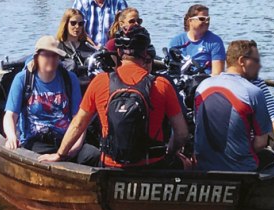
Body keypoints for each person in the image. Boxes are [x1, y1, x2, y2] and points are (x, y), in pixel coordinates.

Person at [44, 27, 189, 169]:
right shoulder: (162, 84)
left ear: (119, 52)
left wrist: (60, 154)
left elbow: (79, 124)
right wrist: (170, 152)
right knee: (186, 165)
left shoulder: (100, 81)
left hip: (111, 166)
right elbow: (182, 133)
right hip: (151, 165)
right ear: (145, 52)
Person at [192, 40, 274, 172]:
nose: (259, 66)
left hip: (204, 165)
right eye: (256, 61)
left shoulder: (203, 86)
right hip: (240, 167)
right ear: (242, 61)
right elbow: (261, 142)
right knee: (269, 157)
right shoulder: (253, 91)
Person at [3, 36, 88, 158]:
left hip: (65, 139)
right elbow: (10, 115)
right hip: (36, 141)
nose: (51, 60)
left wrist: (75, 147)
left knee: (93, 156)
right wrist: (11, 136)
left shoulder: (70, 79)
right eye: (46, 55)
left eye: (55, 56)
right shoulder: (22, 79)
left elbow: (78, 118)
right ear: (37, 57)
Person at [167, 4, 227, 77]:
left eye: (208, 19)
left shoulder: (215, 41)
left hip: (204, 81)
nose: (206, 22)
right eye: (202, 19)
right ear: (190, 21)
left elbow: (217, 74)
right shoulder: (176, 41)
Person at [54, 8, 102, 81]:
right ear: (66, 24)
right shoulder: (57, 47)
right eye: (73, 23)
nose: (77, 26)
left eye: (80, 24)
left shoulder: (88, 46)